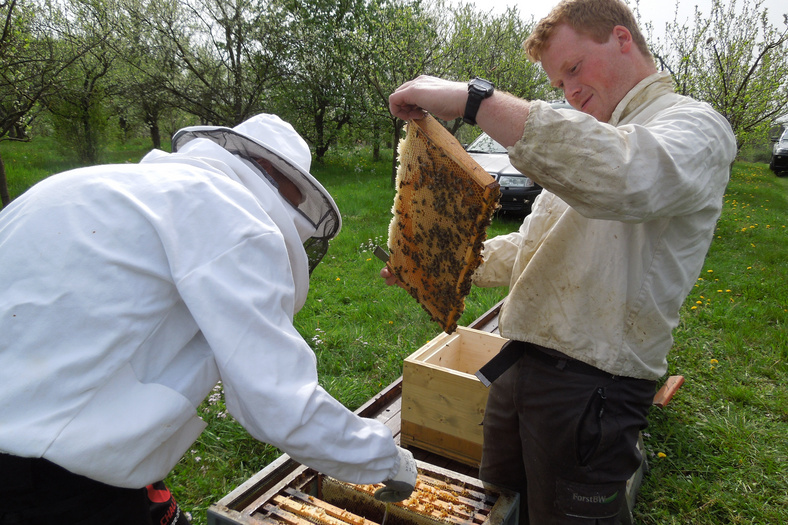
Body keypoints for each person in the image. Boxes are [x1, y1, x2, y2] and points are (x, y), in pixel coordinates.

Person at [383, 0, 736, 522]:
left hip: (593, 387)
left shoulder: (695, 126)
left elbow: (626, 177)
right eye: (558, 83)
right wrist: (432, 261)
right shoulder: (587, 137)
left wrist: (476, 100)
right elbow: (531, 248)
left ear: (621, 38)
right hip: (517, 367)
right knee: (502, 504)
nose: (569, 91)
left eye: (574, 68)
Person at [0, 113, 417, 524]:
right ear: (268, 170)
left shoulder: (96, 183)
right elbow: (277, 401)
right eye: (294, 196)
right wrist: (387, 460)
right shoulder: (233, 215)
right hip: (44, 469)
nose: (293, 209)